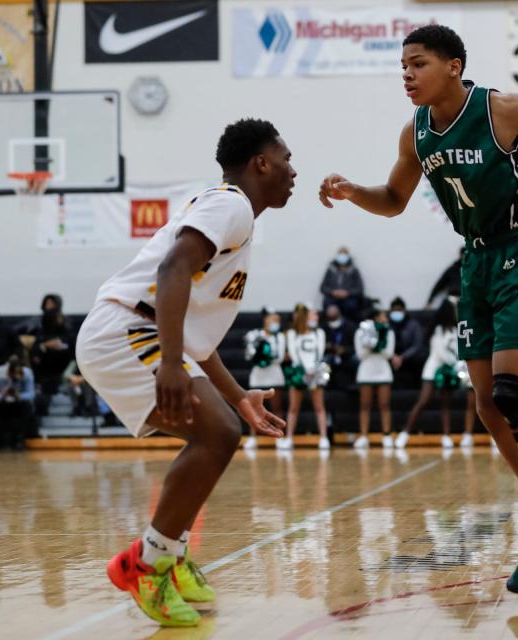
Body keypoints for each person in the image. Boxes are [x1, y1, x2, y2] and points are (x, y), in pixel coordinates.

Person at [318, 24, 518, 593]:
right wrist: (354, 192)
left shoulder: (503, 109)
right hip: (473, 266)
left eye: (417, 64)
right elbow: (394, 201)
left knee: (511, 394)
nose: (407, 74)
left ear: (453, 65)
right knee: (487, 407)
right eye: (402, 66)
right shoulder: (415, 132)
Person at [75, 118, 292, 627]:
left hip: (147, 331)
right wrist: (170, 364)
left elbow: (197, 335)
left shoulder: (232, 217)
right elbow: (171, 269)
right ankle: (148, 565)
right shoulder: (231, 204)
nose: (292, 170)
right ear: (261, 162)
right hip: (127, 328)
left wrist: (238, 395)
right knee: (216, 433)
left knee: (221, 429)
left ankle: (164, 555)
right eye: (285, 159)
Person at [396, 299, 460, 449]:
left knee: (446, 404)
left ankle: (446, 436)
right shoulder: (438, 330)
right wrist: (456, 364)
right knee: (423, 401)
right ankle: (404, 434)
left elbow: (457, 350)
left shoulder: (456, 330)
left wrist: (457, 364)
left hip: (448, 372)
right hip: (433, 371)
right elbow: (440, 352)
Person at [280, 304, 329, 450]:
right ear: (305, 316)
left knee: (319, 407)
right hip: (298, 372)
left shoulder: (319, 333)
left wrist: (313, 369)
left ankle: (323, 438)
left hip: (315, 373)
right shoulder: (292, 334)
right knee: (293, 407)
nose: (317, 317)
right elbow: (294, 355)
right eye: (314, 314)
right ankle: (289, 438)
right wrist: (302, 370)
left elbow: (320, 353)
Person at [243, 308, 287, 450]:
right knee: (253, 408)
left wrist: (267, 356)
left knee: (277, 407)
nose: (276, 323)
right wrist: (259, 354)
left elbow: (279, 357)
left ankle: (279, 437)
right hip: (258, 374)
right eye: (273, 319)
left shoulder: (279, 337)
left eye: (278, 320)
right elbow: (249, 355)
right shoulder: (255, 335)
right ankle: (252, 437)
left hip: (275, 373)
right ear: (265, 320)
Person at [353, 307, 395, 449]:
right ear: (376, 317)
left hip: (383, 371)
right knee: (365, 405)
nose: (386, 319)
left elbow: (389, 354)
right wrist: (370, 345)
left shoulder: (388, 332)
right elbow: (360, 354)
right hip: (366, 371)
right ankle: (364, 436)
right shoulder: (360, 332)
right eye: (383, 316)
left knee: (385, 405)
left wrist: (378, 344)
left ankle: (387, 435)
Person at [0, 355, 35, 449]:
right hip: (2, 402)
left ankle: (20, 440)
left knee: (27, 406)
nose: (16, 376)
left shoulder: (28, 373)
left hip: (19, 402)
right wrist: (1, 395)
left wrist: (19, 396)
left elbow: (31, 394)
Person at [320, 246, 365, 321]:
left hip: (348, 299)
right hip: (332, 298)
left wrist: (348, 293)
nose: (342, 256)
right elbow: (322, 287)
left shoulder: (354, 270)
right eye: (341, 253)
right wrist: (332, 292)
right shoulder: (331, 270)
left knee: (351, 305)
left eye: (344, 253)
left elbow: (360, 288)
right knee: (328, 304)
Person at [387, 297, 425, 388]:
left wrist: (402, 357)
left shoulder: (413, 324)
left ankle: (417, 388)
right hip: (389, 356)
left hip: (408, 356)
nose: (397, 313)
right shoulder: (386, 324)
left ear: (404, 310)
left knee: (420, 358)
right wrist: (392, 356)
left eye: (399, 310)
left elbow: (417, 345)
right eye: (394, 310)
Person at [322, 303, 357, 389]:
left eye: (334, 317)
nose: (332, 320)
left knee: (357, 359)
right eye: (330, 318)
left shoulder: (350, 326)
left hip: (347, 354)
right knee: (324, 362)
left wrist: (345, 350)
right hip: (330, 354)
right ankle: (324, 382)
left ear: (339, 314)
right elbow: (320, 346)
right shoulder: (324, 327)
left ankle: (356, 382)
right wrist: (328, 347)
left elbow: (356, 346)